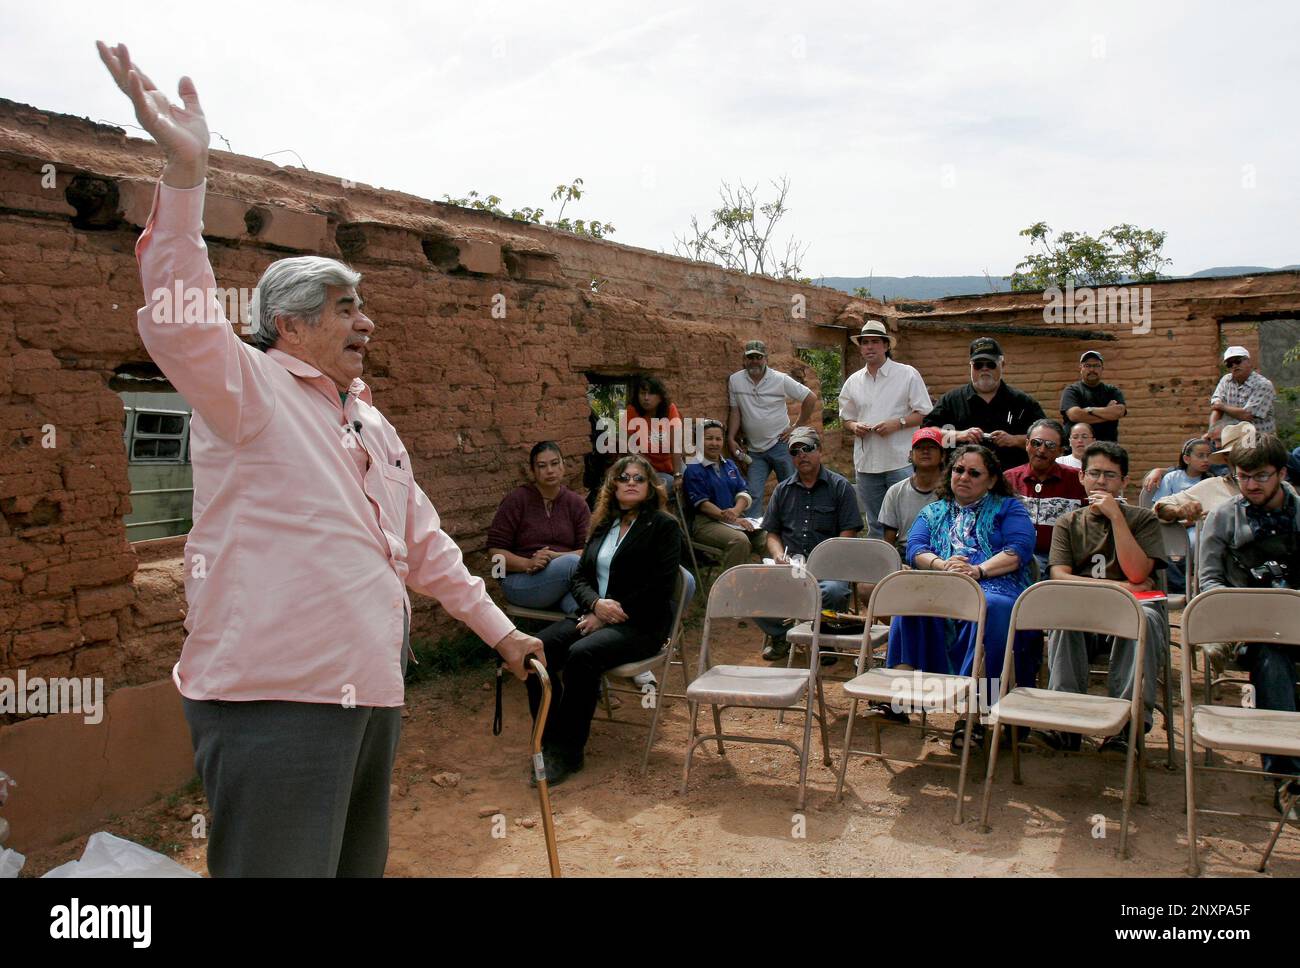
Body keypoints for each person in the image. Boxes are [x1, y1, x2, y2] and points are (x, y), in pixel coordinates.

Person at [97, 42, 543, 877]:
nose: (367, 322)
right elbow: (180, 312)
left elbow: (428, 548)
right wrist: (186, 173)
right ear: (290, 325)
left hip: (367, 694)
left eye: (365, 304)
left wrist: (503, 630)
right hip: (275, 699)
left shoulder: (370, 421)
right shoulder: (249, 390)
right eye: (346, 307)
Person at [526, 455, 682, 785]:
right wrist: (596, 605)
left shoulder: (664, 527)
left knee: (581, 656)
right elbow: (579, 577)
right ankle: (549, 739)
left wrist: (609, 614)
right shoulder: (602, 524)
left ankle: (569, 753)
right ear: (612, 486)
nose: (630, 483)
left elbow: (659, 587)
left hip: (641, 624)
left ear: (650, 487)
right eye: (622, 478)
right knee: (534, 651)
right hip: (594, 615)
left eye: (638, 478)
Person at [887, 444, 1038, 743]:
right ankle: (900, 694)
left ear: (991, 479)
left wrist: (977, 570)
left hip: (996, 583)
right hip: (945, 582)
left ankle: (977, 711)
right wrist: (944, 566)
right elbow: (916, 548)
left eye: (973, 472)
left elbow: (1019, 550)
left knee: (988, 606)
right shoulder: (934, 510)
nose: (963, 477)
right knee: (909, 599)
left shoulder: (1009, 508)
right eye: (958, 470)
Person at [1039, 442, 1169, 756]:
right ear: (1081, 477)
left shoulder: (1142, 520)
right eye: (1094, 473)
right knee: (1064, 619)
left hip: (1130, 612)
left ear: (1124, 481)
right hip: (1087, 612)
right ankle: (1065, 722)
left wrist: (1116, 518)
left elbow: (1138, 573)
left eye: (1110, 475)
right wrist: (1121, 588)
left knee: (1144, 617)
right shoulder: (1068, 523)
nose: (1100, 482)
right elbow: (1059, 576)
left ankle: (1127, 726)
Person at [1197, 434, 1300, 816]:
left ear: (1282, 473)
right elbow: (1209, 581)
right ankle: (1289, 779)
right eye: (1243, 476)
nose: (1252, 485)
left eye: (1262, 476)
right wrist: (1235, 616)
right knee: (1271, 658)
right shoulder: (1224, 517)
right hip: (1250, 627)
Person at [756, 427, 863, 663]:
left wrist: (825, 559)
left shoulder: (840, 486)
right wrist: (777, 556)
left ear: (820, 451)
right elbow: (771, 533)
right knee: (752, 587)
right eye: (795, 451)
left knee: (833, 591)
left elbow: (849, 532)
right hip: (792, 565)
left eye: (807, 448)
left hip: (829, 566)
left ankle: (823, 640)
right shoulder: (782, 490)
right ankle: (783, 635)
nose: (801, 455)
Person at [838, 318, 934, 539]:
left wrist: (897, 423)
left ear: (886, 345)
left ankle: (912, 565)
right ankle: (878, 568)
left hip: (899, 460)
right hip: (867, 462)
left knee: (909, 519)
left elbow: (924, 412)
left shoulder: (907, 374)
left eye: (875, 342)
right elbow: (846, 418)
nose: (869, 347)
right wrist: (855, 426)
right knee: (876, 521)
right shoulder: (853, 381)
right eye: (865, 342)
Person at [488, 441, 591, 614]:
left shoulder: (577, 504)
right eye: (542, 466)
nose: (550, 470)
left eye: (555, 463)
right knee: (573, 565)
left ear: (563, 465)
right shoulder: (516, 500)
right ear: (533, 471)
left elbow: (589, 551)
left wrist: (556, 556)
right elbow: (495, 556)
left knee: (580, 608)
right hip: (521, 582)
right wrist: (527, 563)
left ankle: (554, 638)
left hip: (566, 578)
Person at [924, 336, 1045, 473]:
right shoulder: (951, 401)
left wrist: (1013, 440)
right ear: (970, 366)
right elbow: (927, 434)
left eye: (991, 364)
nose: (984, 369)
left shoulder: (1023, 402)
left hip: (1011, 481)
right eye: (978, 365)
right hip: (964, 483)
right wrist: (960, 435)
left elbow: (1045, 440)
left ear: (1002, 364)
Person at [727, 339, 819, 517]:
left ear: (766, 359)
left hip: (780, 445)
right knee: (752, 492)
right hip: (754, 449)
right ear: (744, 359)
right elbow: (735, 411)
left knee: (790, 487)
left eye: (758, 357)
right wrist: (730, 438)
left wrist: (796, 426)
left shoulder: (779, 379)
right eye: (750, 357)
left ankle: (795, 525)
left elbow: (810, 397)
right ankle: (756, 533)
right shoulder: (735, 380)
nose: (754, 361)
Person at [1003, 419, 1087, 578]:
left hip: (1062, 562)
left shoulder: (1078, 480)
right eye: (1036, 443)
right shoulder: (1008, 479)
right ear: (1027, 444)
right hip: (1013, 558)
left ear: (1061, 451)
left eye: (1050, 446)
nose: (1041, 450)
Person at [681, 419, 766, 572]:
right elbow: (703, 505)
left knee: (765, 537)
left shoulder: (730, 465)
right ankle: (731, 588)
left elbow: (743, 492)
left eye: (718, 439)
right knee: (739, 541)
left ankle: (775, 582)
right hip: (707, 524)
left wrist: (735, 512)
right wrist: (732, 518)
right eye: (709, 438)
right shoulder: (693, 469)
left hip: (734, 519)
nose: (714, 443)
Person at [1145, 437, 1215, 593]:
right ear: (1186, 458)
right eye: (1200, 455)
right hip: (1170, 525)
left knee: (1198, 543)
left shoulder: (1211, 481)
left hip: (1197, 528)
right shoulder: (1172, 478)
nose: (1206, 460)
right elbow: (1159, 507)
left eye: (1208, 456)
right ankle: (1181, 587)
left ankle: (1194, 586)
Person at [1153, 423, 1253, 528]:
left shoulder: (1270, 486)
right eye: (1240, 454)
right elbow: (1159, 508)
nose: (1247, 461)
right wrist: (1180, 511)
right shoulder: (1213, 485)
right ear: (1226, 458)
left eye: (1253, 455)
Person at [879, 428, 945, 554]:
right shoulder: (895, 491)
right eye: (919, 448)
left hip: (944, 552)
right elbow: (889, 541)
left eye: (931, 447)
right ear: (910, 455)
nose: (925, 451)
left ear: (943, 456)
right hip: (907, 553)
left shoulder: (954, 491)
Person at [625, 375, 685, 492]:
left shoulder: (670, 409)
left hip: (672, 462)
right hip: (648, 466)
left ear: (660, 397)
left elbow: (676, 446)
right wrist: (645, 465)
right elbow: (630, 446)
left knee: (691, 479)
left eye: (651, 394)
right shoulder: (632, 411)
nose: (646, 398)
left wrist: (677, 474)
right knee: (664, 485)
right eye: (642, 393)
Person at [1208, 345, 1276, 439]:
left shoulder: (1263, 384)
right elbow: (1216, 409)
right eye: (1230, 364)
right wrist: (1212, 432)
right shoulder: (1226, 380)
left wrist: (1222, 406)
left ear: (1248, 361)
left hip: (1259, 441)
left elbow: (1247, 415)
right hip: (1232, 440)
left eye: (1237, 361)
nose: (1234, 366)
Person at [1060, 350, 1127, 442]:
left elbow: (1119, 411)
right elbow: (1075, 415)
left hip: (1107, 449)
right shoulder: (1072, 391)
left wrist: (1089, 410)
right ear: (1081, 368)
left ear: (1102, 368)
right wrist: (1107, 414)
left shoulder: (1112, 391)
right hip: (1077, 450)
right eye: (1087, 366)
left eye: (1096, 365)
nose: (1092, 369)